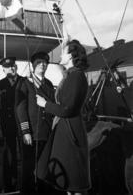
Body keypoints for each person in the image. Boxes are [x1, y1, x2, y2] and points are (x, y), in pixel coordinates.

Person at [36, 39, 91, 195]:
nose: (60, 54)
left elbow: (68, 109)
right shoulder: (70, 76)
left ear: (72, 55)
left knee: (75, 182)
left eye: (63, 51)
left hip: (71, 132)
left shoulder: (77, 76)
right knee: (68, 181)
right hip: (65, 130)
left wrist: (44, 104)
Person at [15, 51, 55, 194]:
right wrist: (26, 132)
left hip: (46, 131)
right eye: (39, 63)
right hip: (32, 132)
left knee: (44, 165)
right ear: (33, 65)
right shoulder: (25, 82)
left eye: (45, 63)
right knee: (29, 167)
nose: (42, 65)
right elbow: (20, 109)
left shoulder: (49, 84)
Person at [0, 57, 23, 192]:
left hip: (23, 123)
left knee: (24, 153)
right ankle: (9, 183)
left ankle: (25, 181)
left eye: (13, 66)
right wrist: (5, 118)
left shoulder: (24, 82)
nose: (11, 68)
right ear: (4, 69)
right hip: (8, 124)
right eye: (8, 67)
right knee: (9, 154)